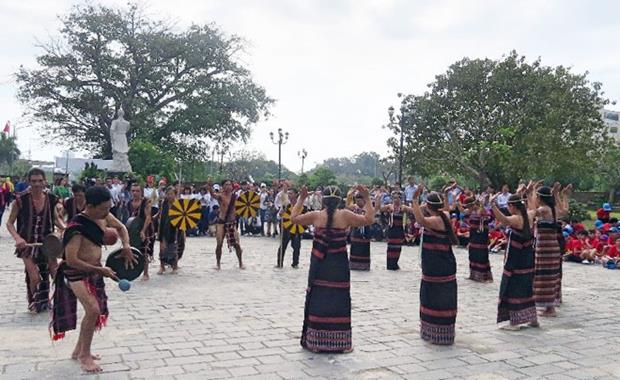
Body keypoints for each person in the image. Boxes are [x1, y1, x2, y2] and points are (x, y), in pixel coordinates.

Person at [50, 186, 136, 373]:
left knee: (93, 312)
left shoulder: (103, 216)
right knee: (93, 309)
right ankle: (84, 356)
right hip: (75, 272)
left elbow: (121, 227)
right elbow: (72, 260)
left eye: (108, 208)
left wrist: (127, 246)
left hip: (95, 271)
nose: (107, 212)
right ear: (90, 206)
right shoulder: (77, 227)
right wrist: (100, 270)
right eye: (104, 208)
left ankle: (79, 350)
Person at [291, 185, 375, 353]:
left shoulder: (316, 216)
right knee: (339, 300)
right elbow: (369, 219)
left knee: (319, 299)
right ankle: (341, 343)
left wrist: (301, 199)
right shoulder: (345, 216)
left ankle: (316, 342)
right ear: (339, 202)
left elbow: (294, 218)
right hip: (339, 266)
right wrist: (366, 199)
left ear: (323, 200)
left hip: (320, 266)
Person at [6, 168, 65, 313]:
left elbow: (57, 220)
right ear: (28, 182)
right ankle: (33, 301)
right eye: (34, 181)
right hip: (27, 244)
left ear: (45, 181)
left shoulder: (51, 199)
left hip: (48, 243)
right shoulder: (20, 200)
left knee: (54, 271)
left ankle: (57, 299)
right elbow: (9, 223)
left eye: (40, 181)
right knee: (34, 275)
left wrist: (65, 228)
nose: (37, 184)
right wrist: (18, 238)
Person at [409, 186, 458, 345]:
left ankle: (436, 332)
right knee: (438, 296)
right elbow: (438, 208)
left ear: (429, 206)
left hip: (437, 266)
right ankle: (438, 331)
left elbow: (420, 220)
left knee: (435, 297)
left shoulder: (436, 220)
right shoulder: (445, 215)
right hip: (441, 264)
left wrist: (415, 200)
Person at [490, 193, 539, 330]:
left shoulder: (517, 219)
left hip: (516, 260)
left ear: (512, 206)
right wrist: (531, 191)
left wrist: (492, 205)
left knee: (513, 288)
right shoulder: (528, 216)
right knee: (527, 288)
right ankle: (532, 318)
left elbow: (503, 219)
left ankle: (515, 323)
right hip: (527, 259)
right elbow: (534, 208)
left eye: (508, 206)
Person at [527, 182, 567, 317]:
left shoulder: (544, 210)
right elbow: (565, 210)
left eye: (537, 196)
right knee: (550, 276)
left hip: (545, 248)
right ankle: (549, 306)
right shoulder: (553, 209)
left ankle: (550, 309)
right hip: (552, 247)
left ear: (540, 198)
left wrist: (528, 192)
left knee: (544, 276)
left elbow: (531, 212)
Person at [207, 180, 244, 270]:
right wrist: (210, 188)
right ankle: (218, 264)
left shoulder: (235, 197)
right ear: (223, 187)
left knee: (237, 244)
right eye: (226, 185)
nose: (228, 186)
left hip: (231, 223)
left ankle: (241, 263)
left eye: (229, 185)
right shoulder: (220, 196)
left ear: (232, 186)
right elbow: (213, 195)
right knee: (219, 244)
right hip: (221, 222)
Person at [459, 197, 493, 282]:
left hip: (481, 236)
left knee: (481, 255)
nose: (468, 208)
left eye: (470, 206)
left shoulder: (482, 210)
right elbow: (463, 211)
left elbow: (482, 213)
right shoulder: (471, 211)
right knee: (473, 254)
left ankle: (483, 276)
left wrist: (481, 204)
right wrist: (457, 202)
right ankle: (473, 274)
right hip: (473, 235)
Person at [125, 183, 153, 280]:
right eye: (133, 191)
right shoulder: (129, 203)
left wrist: (143, 231)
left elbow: (148, 217)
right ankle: (132, 271)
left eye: (137, 191)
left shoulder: (146, 202)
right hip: (132, 229)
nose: (135, 193)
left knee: (144, 250)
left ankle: (145, 273)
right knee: (130, 250)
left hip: (144, 228)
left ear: (141, 192)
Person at [381, 190, 414, 270]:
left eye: (398, 198)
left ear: (401, 199)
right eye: (395, 198)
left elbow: (413, 211)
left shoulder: (403, 207)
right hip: (392, 229)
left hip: (399, 230)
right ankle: (389, 265)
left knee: (397, 248)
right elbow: (380, 209)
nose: (396, 200)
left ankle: (395, 264)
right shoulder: (389, 206)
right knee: (390, 248)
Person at [348, 191, 378, 271]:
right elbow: (347, 206)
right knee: (355, 248)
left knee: (364, 249)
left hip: (366, 231)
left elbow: (377, 208)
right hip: (356, 232)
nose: (358, 202)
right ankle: (353, 266)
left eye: (359, 201)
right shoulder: (354, 207)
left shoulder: (368, 208)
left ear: (364, 200)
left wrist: (378, 198)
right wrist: (349, 195)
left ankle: (365, 266)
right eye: (357, 201)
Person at [276, 185, 304, 268]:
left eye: (291, 193)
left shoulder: (300, 205)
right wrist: (281, 213)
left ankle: (295, 263)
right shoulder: (286, 205)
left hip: (297, 227)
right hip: (286, 227)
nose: (289, 195)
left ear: (296, 194)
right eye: (288, 193)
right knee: (283, 244)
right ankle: (279, 263)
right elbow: (279, 215)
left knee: (296, 245)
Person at [157, 186, 181, 273]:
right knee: (162, 247)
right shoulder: (164, 203)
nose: (170, 196)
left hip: (175, 227)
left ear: (175, 194)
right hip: (164, 226)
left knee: (173, 247)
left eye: (172, 194)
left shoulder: (178, 204)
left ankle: (174, 266)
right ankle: (162, 266)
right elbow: (161, 214)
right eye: (168, 194)